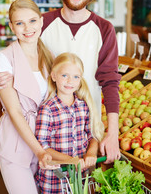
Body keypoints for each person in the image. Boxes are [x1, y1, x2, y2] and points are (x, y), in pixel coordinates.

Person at [0, 0, 121, 164]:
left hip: (87, 129)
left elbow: (110, 81)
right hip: (50, 128)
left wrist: (112, 132)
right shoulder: (42, 22)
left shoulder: (104, 29)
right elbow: (16, 56)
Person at [0, 0, 57, 194]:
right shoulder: (4, 59)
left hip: (46, 139)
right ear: (11, 27)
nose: (27, 28)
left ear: (41, 21)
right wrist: (39, 150)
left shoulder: (50, 55)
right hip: (16, 142)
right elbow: (15, 111)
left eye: (32, 21)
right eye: (19, 23)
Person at [35, 52, 104, 193]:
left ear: (80, 80)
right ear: (54, 76)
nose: (70, 81)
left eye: (75, 77)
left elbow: (92, 135)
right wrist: (70, 160)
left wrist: (91, 153)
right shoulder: (47, 109)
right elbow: (42, 146)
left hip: (80, 179)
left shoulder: (83, 106)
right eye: (64, 75)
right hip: (55, 180)